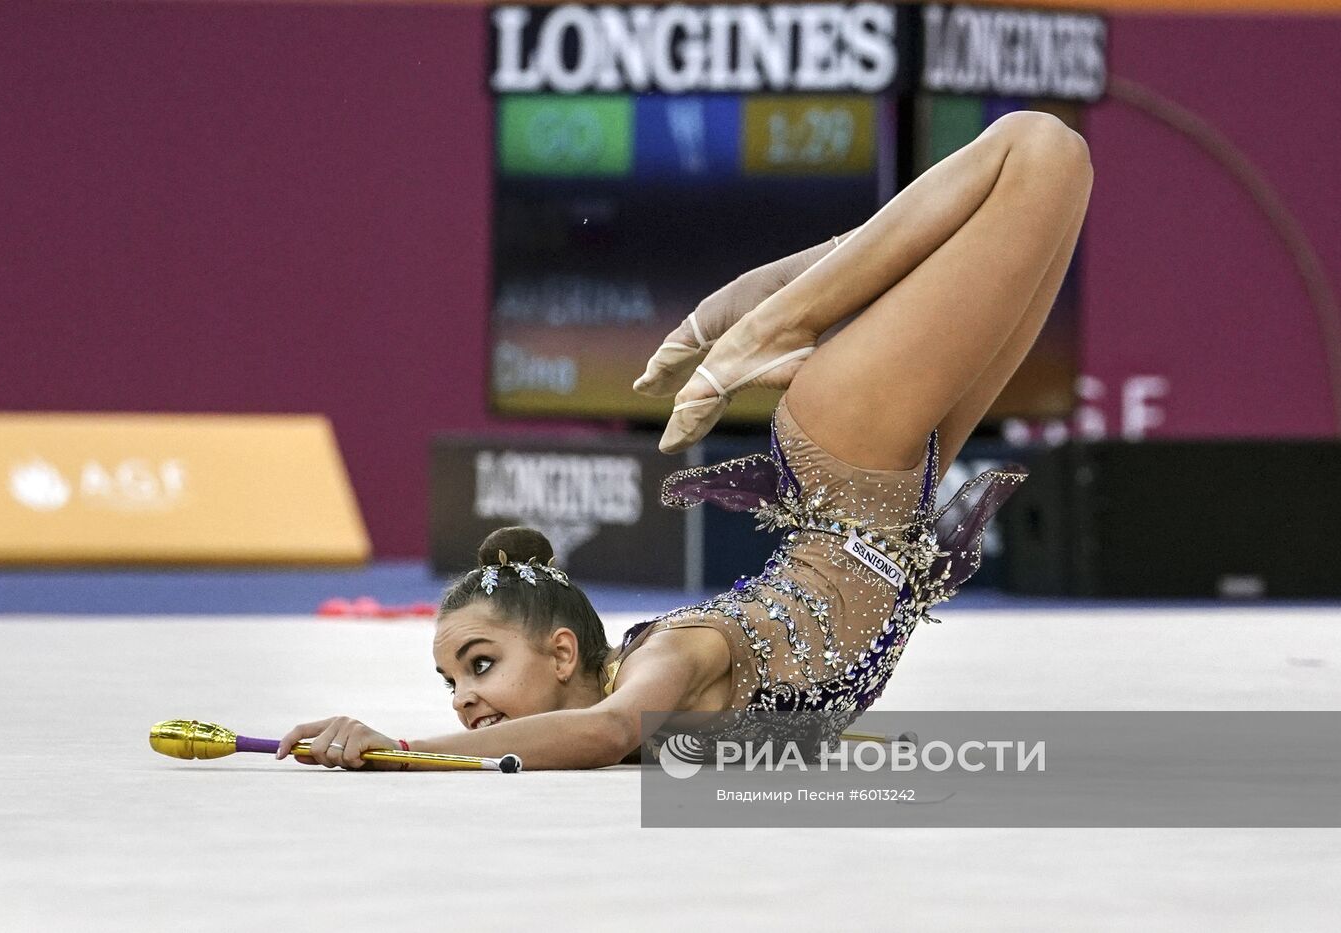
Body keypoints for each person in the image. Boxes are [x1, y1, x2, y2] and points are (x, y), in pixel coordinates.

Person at [277, 110, 1092, 771]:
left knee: (1038, 147)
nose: (461, 697)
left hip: (848, 461)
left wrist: (402, 748)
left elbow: (604, 733)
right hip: (894, 498)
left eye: (480, 662)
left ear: (563, 652)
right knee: (1060, 171)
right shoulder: (662, 709)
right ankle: (753, 303)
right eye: (452, 679)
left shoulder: (660, 660)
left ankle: (775, 318)